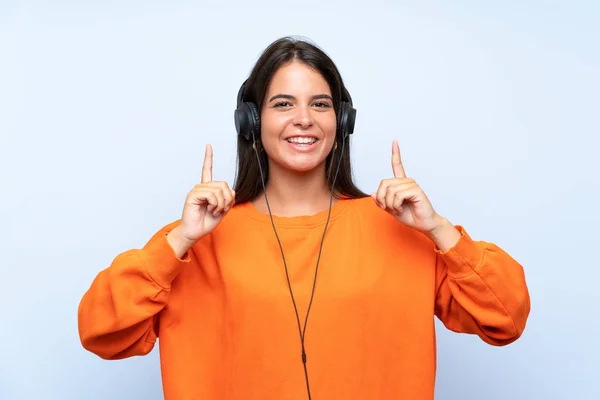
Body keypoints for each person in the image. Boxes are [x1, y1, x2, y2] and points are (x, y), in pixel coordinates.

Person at [78, 36, 530, 400]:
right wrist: (178, 240)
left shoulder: (401, 232)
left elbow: (506, 318)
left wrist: (438, 228)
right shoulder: (195, 242)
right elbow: (100, 332)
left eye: (319, 104)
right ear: (251, 122)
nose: (303, 119)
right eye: (282, 104)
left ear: (342, 120)